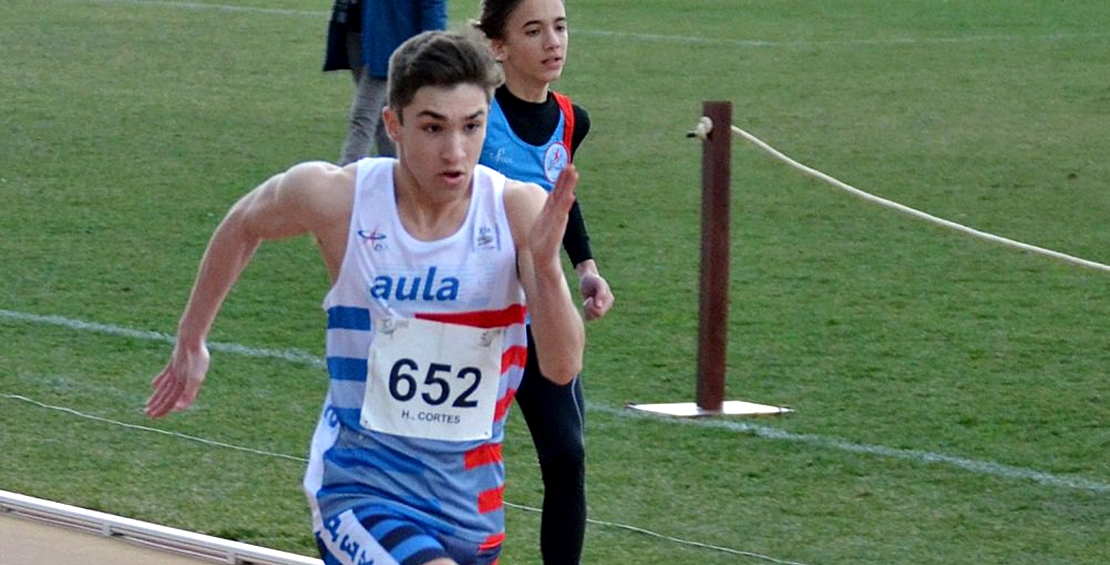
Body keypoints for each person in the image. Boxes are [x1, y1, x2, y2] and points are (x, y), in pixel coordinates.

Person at [145, 30, 585, 565]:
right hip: (359, 495)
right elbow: (243, 224)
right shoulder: (339, 200)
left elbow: (561, 368)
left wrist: (544, 268)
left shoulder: (516, 211)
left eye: (472, 126)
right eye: (432, 127)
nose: (456, 151)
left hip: (470, 510)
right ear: (393, 124)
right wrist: (192, 340)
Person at [472, 1, 614, 563]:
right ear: (499, 47)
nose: (553, 41)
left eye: (559, 27)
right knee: (460, 455)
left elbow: (563, 197)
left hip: (541, 320)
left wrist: (586, 269)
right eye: (533, 31)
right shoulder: (476, 116)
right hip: (476, 319)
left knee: (567, 456)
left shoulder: (572, 118)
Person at [324, 0, 447, 165]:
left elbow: (433, 5)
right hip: (356, 29)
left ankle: (346, 179)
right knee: (384, 116)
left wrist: (431, 48)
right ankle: (395, 174)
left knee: (363, 116)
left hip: (390, 39)